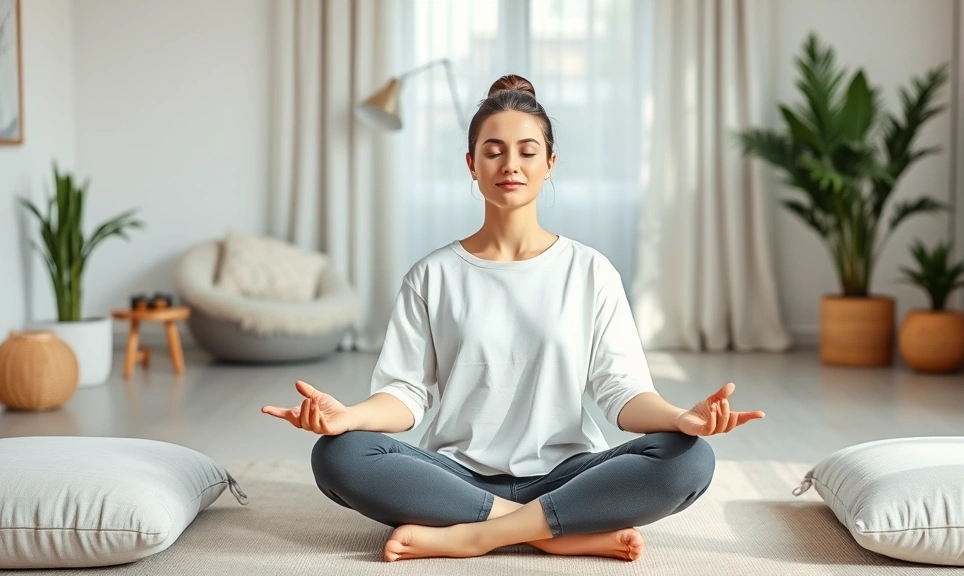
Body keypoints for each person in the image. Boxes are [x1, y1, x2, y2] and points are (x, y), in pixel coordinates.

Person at [262, 74, 765, 563]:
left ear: (550, 163)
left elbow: (621, 391)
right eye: (493, 150)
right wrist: (348, 417)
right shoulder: (432, 275)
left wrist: (681, 418)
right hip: (455, 478)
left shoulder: (589, 270)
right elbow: (406, 393)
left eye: (527, 151)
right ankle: (550, 532)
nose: (511, 164)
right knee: (337, 456)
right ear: (471, 163)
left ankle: (470, 537)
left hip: (568, 474)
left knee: (690, 459)